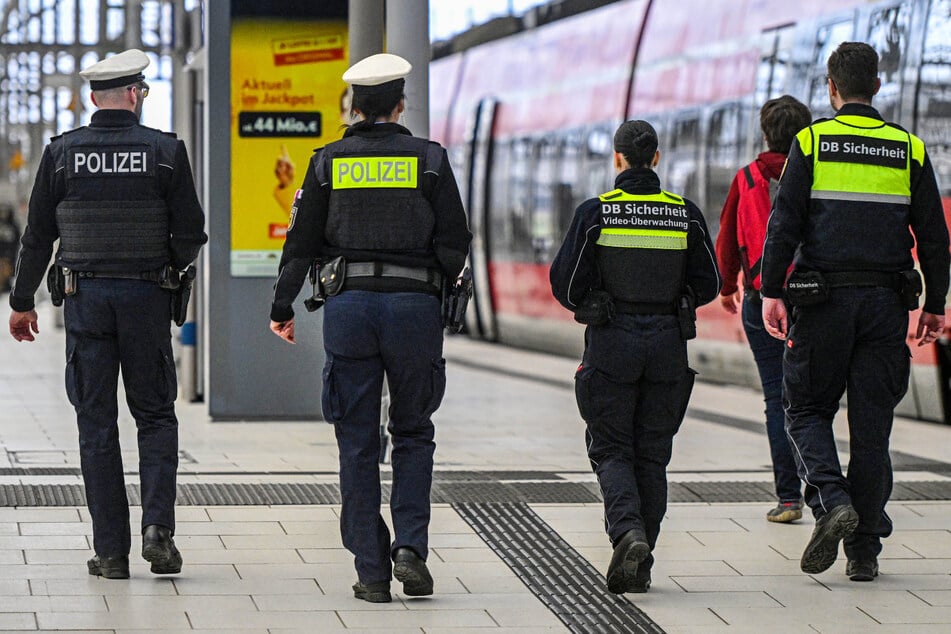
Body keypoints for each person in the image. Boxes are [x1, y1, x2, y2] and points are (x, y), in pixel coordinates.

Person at [269, 53, 471, 603]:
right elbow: (455, 241)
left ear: (353, 107)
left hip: (350, 308)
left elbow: (300, 242)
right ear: (400, 104)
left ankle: (372, 571)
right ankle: (410, 546)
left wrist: (282, 306)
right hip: (414, 309)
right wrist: (453, 296)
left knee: (356, 441)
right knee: (412, 431)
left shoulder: (326, 161)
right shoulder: (430, 160)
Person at [7, 49, 208, 579]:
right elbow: (191, 233)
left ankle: (112, 553)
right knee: (156, 415)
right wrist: (167, 269)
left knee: (96, 424)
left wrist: (22, 300)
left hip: (86, 300)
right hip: (146, 299)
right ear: (135, 95)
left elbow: (38, 236)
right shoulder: (165, 152)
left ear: (95, 98)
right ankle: (157, 531)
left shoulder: (63, 153)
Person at [760, 42, 949, 581]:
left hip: (822, 304)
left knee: (804, 408)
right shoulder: (908, 149)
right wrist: (935, 305)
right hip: (887, 305)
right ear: (879, 87)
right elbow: (934, 237)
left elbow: (785, 223)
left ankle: (832, 500)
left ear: (831, 88)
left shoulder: (812, 141)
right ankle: (864, 552)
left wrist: (772, 289)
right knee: (872, 430)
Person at [550, 120, 720, 594]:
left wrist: (593, 301)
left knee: (610, 448)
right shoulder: (684, 214)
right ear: (657, 158)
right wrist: (676, 297)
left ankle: (628, 533)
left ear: (618, 159)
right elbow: (710, 283)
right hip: (668, 343)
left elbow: (565, 284)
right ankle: (640, 566)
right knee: (652, 455)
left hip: (612, 344)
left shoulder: (597, 214)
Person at [715, 95, 812, 524]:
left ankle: (789, 499)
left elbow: (726, 234)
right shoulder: (814, 171)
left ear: (764, 132)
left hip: (759, 300)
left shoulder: (747, 177)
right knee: (813, 399)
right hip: (812, 297)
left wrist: (725, 286)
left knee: (778, 398)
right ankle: (823, 491)